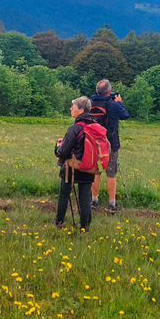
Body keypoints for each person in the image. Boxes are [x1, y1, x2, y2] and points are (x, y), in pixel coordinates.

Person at [54, 96, 96, 231]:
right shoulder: (95, 126)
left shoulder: (75, 128)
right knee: (85, 198)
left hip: (72, 167)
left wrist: (57, 147)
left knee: (64, 194)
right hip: (90, 167)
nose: (71, 109)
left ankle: (59, 223)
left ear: (81, 110)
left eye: (74, 107)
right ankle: (85, 227)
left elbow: (63, 152)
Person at [89, 79, 130, 213]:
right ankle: (112, 205)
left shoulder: (90, 102)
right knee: (111, 173)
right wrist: (119, 103)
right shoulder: (113, 104)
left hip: (94, 143)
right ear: (109, 91)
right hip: (111, 144)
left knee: (96, 171)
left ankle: (94, 201)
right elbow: (125, 115)